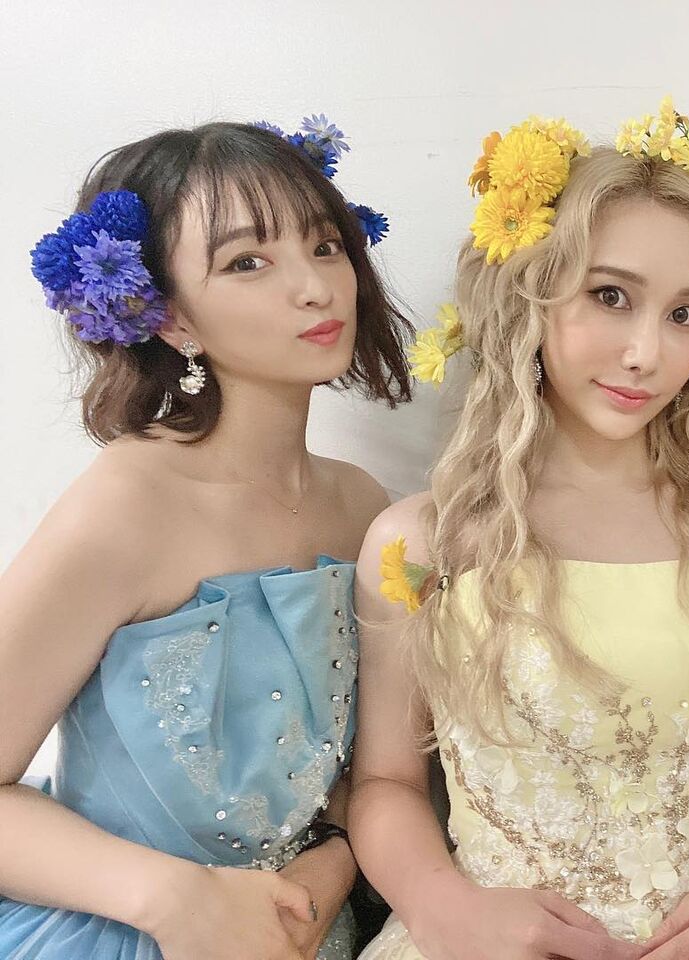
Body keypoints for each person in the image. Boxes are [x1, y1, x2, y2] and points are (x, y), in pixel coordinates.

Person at [349, 101, 689, 960]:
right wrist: (441, 907)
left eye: (684, 313)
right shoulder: (427, 544)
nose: (647, 353)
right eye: (610, 296)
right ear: (530, 295)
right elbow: (386, 781)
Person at [0, 115, 411, 960]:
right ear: (169, 318)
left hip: (306, 928)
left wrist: (333, 865)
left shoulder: (363, 507)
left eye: (325, 245)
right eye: (247, 262)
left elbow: (373, 766)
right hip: (127, 933)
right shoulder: (126, 506)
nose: (315, 287)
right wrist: (175, 898)